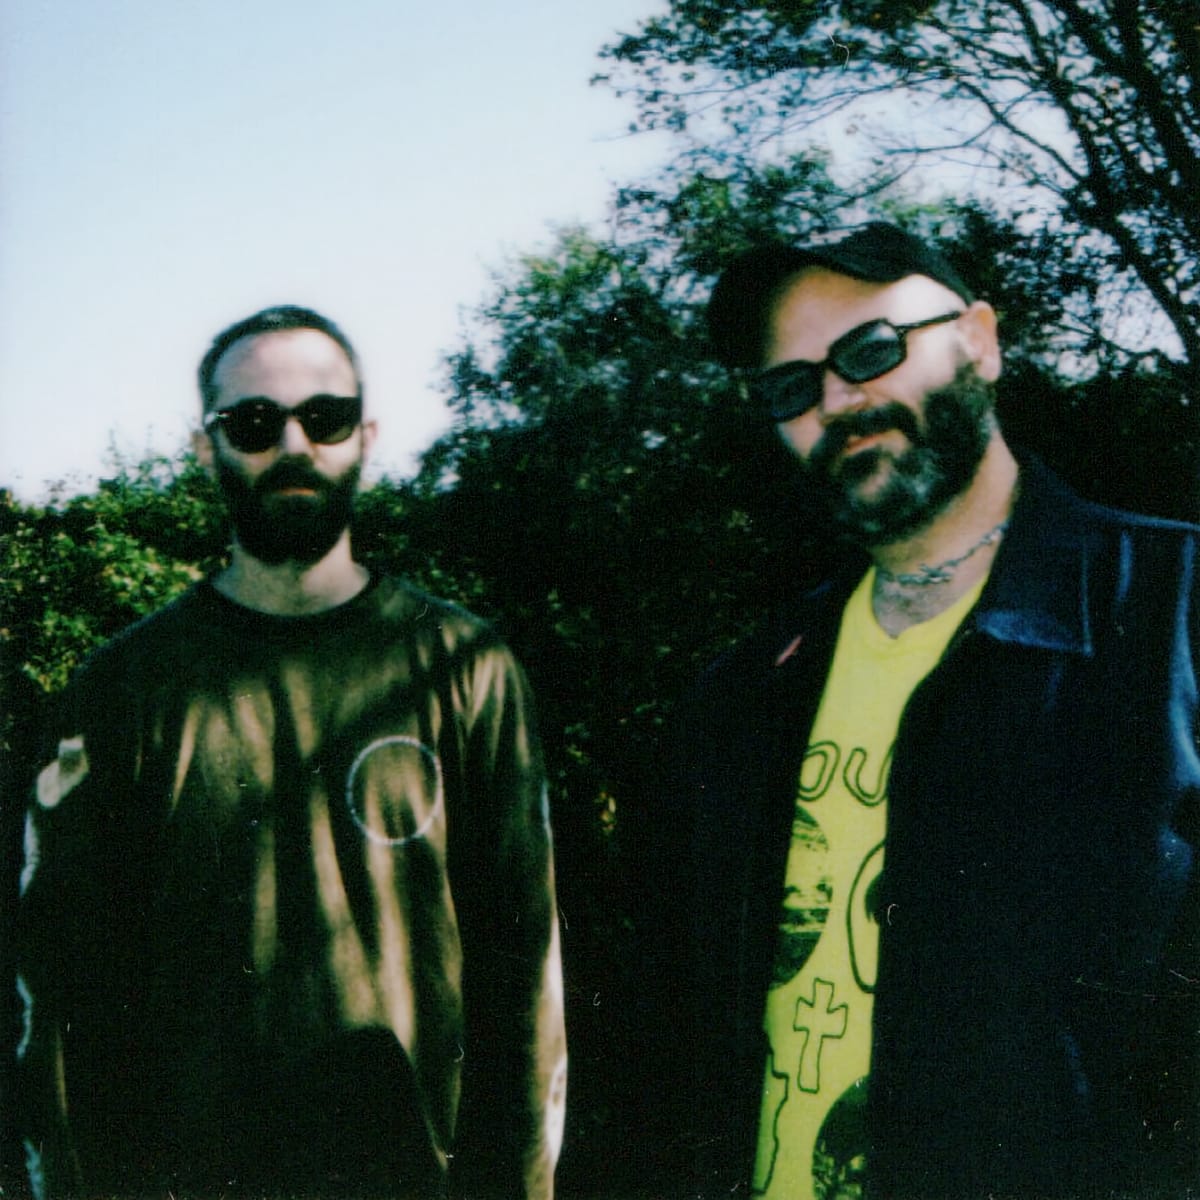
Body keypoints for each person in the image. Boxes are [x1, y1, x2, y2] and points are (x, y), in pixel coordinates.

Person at [649, 224, 1200, 1198]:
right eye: (791, 387)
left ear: (980, 340)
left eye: (871, 351)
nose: (836, 400)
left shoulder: (1172, 610)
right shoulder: (744, 696)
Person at [17, 306, 567, 1199]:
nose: (295, 446)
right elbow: (65, 988)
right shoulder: (126, 686)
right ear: (208, 448)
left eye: (327, 417)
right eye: (254, 424)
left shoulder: (467, 665)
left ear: (367, 435)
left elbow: (524, 964)